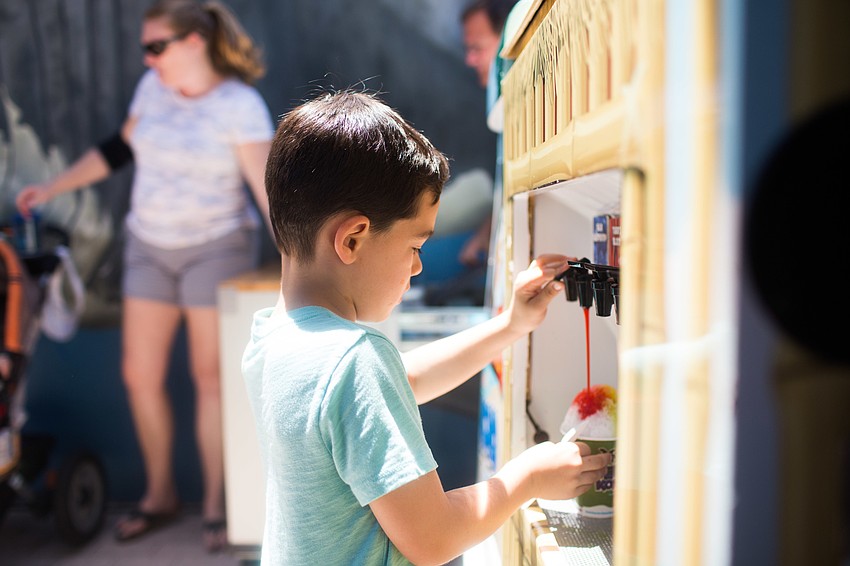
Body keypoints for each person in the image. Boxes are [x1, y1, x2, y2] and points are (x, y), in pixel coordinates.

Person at [245, 89, 612, 565]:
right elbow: (433, 538)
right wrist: (528, 477)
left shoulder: (274, 338)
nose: (417, 268)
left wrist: (510, 325)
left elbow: (403, 380)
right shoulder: (354, 361)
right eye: (415, 247)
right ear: (352, 238)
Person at [15, 0, 274, 552]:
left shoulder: (240, 105)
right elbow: (116, 150)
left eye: (156, 47)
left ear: (194, 43)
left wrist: (298, 256)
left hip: (216, 245)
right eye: (144, 48)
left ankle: (213, 507)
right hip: (148, 246)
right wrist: (53, 187)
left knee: (210, 378)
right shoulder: (151, 90)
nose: (147, 58)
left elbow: (265, 189)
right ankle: (159, 495)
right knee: (139, 374)